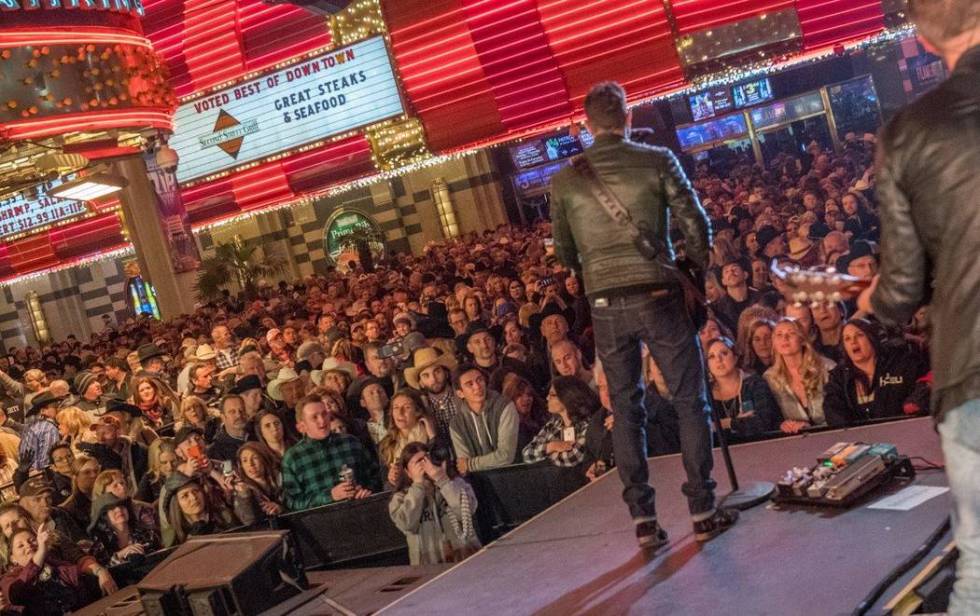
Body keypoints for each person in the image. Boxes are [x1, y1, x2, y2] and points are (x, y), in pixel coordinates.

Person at [550, 81, 734, 548]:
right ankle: (703, 507)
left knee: (626, 407)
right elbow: (696, 223)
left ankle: (643, 520)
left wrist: (592, 272)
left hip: (606, 302)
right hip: (658, 293)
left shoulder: (566, 179)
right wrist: (692, 264)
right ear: (628, 117)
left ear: (587, 126)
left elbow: (566, 252)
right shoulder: (657, 160)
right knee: (690, 399)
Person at [854, 5, 978, 611]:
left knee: (978, 565)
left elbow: (900, 294)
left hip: (972, 369)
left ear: (923, 38)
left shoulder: (907, 132)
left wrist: (871, 297)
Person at [281, 395, 380, 511]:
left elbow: (376, 475)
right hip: (323, 523)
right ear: (302, 426)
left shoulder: (350, 442)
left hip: (362, 512)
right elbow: (292, 503)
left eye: (324, 414)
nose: (322, 420)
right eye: (314, 417)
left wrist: (366, 490)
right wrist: (330, 496)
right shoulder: (293, 457)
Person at [388, 441, 481, 565]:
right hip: (430, 568)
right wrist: (418, 485)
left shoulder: (456, 483)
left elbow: (468, 511)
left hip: (467, 560)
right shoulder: (400, 498)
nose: (424, 465)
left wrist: (442, 480)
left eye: (426, 458)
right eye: (418, 462)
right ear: (407, 471)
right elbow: (406, 524)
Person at [823, 319, 930, 427]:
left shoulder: (900, 363)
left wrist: (916, 402)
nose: (853, 342)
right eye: (847, 339)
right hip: (858, 439)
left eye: (859, 335)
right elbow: (832, 409)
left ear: (872, 338)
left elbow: (924, 386)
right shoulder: (839, 377)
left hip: (903, 431)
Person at [764, 318, 835, 434]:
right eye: (779, 335)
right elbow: (772, 419)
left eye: (791, 333)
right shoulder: (769, 378)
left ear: (802, 339)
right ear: (774, 343)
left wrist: (812, 428)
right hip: (795, 440)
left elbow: (839, 412)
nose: (784, 338)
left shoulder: (827, 368)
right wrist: (782, 425)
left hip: (831, 433)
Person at [0, 526, 91, 615]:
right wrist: (39, 556)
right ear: (13, 558)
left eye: (32, 540)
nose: (28, 545)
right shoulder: (9, 579)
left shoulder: (60, 566)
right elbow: (17, 594)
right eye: (20, 546)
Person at [448, 364, 519, 475]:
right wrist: (468, 465)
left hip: (512, 476)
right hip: (480, 482)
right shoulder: (456, 424)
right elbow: (463, 467)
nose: (477, 386)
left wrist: (471, 464)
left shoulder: (504, 406)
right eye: (469, 384)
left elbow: (506, 456)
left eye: (479, 380)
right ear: (460, 393)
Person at [706, 337, 780, 439]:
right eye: (711, 356)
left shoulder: (755, 384)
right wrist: (741, 423)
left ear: (735, 357)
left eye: (724, 353)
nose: (718, 360)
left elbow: (764, 422)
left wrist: (726, 423)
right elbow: (701, 429)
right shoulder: (704, 394)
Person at [522, 376, 597, 468]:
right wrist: (551, 446)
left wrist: (546, 455)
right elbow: (527, 454)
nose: (547, 398)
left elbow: (572, 457)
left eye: (552, 395)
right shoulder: (553, 423)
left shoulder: (586, 424)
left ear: (567, 397)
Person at [163, 473, 243, 547]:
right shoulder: (174, 535)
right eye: (185, 496)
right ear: (176, 504)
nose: (193, 498)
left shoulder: (224, 516)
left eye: (196, 491)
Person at [378, 390, 436, 488]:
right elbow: (384, 485)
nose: (400, 413)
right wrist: (392, 480)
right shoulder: (386, 444)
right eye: (396, 408)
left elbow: (442, 463)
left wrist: (433, 437)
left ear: (418, 411)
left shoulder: (432, 435)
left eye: (407, 407)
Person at [87, 492, 161, 567]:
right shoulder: (100, 546)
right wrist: (119, 555)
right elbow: (99, 571)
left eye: (121, 506)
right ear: (103, 518)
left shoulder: (148, 534)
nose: (118, 509)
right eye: (111, 508)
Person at [500, 372, 548, 454]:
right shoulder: (510, 428)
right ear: (510, 399)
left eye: (529, 394)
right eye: (519, 395)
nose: (526, 399)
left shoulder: (542, 420)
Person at [236, 442, 286, 518]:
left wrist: (281, 509)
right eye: (245, 461)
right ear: (241, 466)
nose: (250, 464)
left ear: (264, 459)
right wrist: (245, 495)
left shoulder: (281, 478)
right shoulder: (241, 490)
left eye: (255, 458)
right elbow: (249, 520)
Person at [19, 391, 64, 472]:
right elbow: (47, 461)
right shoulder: (49, 428)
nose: (58, 408)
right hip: (43, 475)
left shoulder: (32, 427)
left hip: (30, 474)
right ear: (43, 411)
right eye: (55, 406)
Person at [207, 395, 253, 462]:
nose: (239, 415)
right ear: (223, 417)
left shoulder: (260, 433)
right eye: (232, 412)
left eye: (241, 410)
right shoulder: (215, 452)